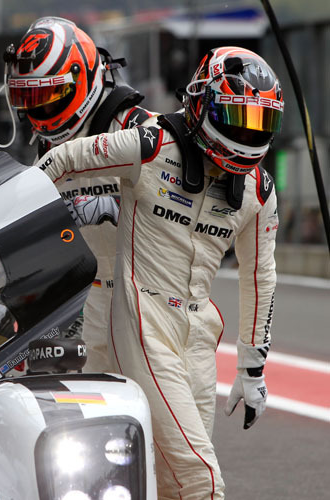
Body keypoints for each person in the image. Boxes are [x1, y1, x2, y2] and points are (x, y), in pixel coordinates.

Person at [35, 46, 282, 499]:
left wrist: (252, 366)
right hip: (144, 323)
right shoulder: (150, 144)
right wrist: (26, 207)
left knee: (167, 482)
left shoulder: (259, 191)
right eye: (238, 117)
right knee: (200, 479)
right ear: (204, 103)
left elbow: (259, 275)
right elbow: (65, 158)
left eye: (260, 122)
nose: (249, 133)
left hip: (199, 336)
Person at [2, 16, 155, 372]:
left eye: (49, 94)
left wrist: (110, 206)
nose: (40, 110)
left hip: (142, 302)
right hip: (81, 300)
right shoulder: (44, 145)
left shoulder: (137, 128)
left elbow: (175, 209)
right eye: (30, 97)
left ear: (81, 77)